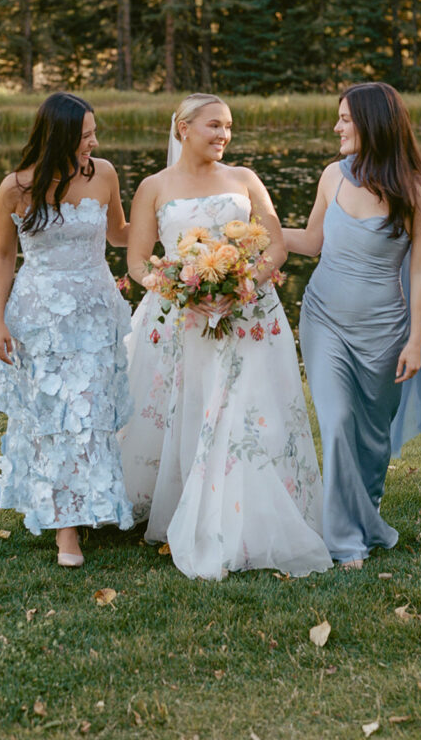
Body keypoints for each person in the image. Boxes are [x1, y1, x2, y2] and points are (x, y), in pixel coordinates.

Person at [118, 93, 332, 580]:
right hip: (179, 316)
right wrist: (177, 290)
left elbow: (275, 246)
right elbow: (135, 262)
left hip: (247, 313)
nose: (223, 135)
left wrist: (241, 286)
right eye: (214, 125)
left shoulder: (245, 180)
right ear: (183, 129)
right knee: (189, 404)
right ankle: (182, 500)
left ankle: (246, 511)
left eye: (229, 127)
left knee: (246, 410)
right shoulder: (153, 186)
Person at [284, 83, 421, 569]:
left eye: (345, 118)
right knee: (338, 423)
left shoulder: (420, 193)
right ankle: (344, 541)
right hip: (324, 320)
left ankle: (367, 513)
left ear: (373, 123)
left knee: (373, 436)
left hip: (385, 329)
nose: (337, 127)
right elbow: (313, 241)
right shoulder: (331, 178)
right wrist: (256, 229)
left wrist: (416, 340)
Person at [0, 92, 134, 567]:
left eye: (93, 133)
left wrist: (172, 218)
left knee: (91, 413)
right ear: (57, 137)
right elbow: (3, 256)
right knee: (54, 419)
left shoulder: (103, 174)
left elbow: (120, 233)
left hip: (98, 315)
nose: (93, 143)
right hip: (40, 317)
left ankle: (87, 504)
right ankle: (66, 532)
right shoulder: (14, 189)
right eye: (84, 136)